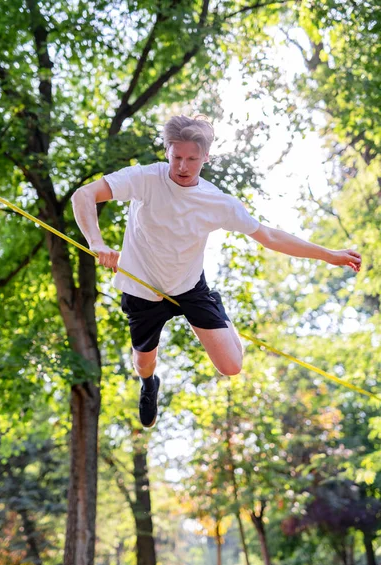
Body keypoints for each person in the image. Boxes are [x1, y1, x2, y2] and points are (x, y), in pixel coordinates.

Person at [71, 115, 361, 428]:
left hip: (188, 287)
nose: (182, 167)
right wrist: (97, 243)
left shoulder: (218, 202)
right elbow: (83, 195)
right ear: (167, 151)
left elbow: (270, 236)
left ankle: (214, 310)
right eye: (176, 157)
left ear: (206, 156)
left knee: (232, 366)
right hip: (142, 289)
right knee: (143, 363)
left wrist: (328, 255)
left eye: (192, 159)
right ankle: (149, 384)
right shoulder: (145, 178)